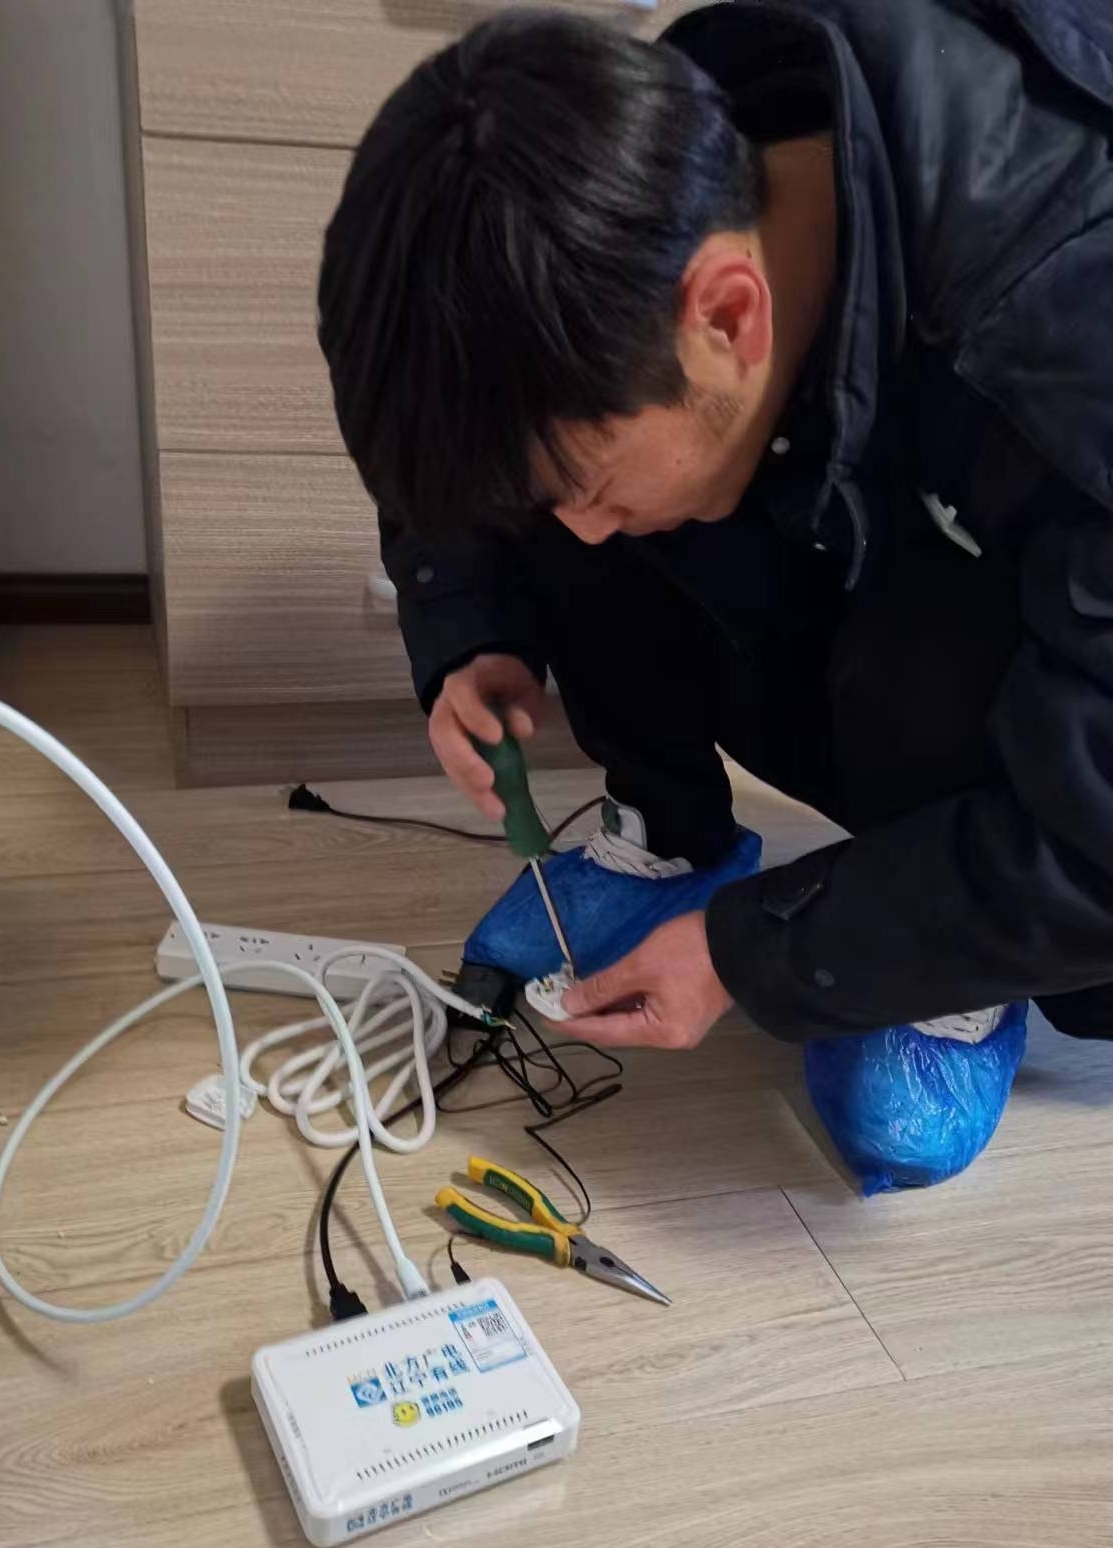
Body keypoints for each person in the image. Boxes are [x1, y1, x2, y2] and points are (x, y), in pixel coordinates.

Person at [316, 2, 1113, 1181]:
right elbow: (459, 429)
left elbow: (1097, 833)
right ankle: (671, 837)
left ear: (731, 314)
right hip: (852, 495)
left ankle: (942, 967)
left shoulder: (1068, 319)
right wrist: (471, 630)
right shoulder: (632, 172)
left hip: (1053, 701)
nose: (573, 536)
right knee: (580, 486)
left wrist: (757, 957)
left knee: (920, 650)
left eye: (584, 485)